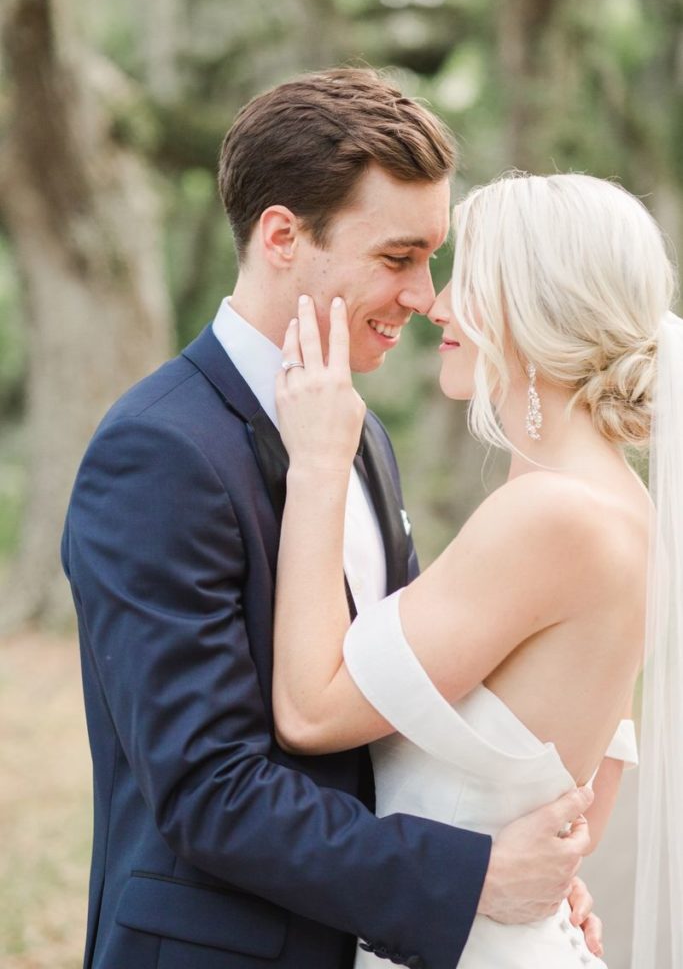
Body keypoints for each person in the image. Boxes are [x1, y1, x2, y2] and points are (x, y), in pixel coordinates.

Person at [62, 70, 599, 969]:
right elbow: (208, 790)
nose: (425, 296)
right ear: (282, 237)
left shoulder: (360, 432)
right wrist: (470, 878)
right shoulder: (157, 453)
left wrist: (523, 867)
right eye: (397, 258)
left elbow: (400, 700)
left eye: (430, 258)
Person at [271, 171, 681, 967]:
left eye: (467, 277)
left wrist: (318, 465)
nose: (437, 304)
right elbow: (590, 796)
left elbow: (311, 713)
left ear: (533, 305)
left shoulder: (549, 515)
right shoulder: (615, 502)